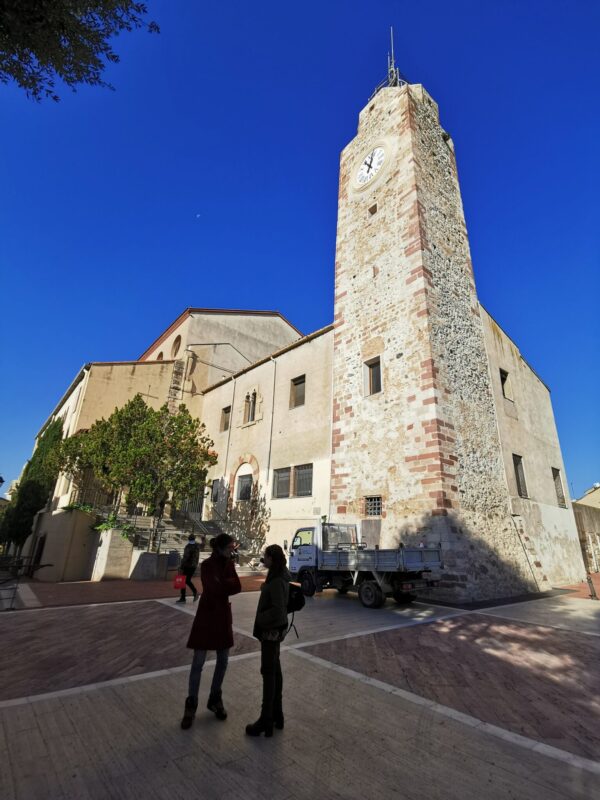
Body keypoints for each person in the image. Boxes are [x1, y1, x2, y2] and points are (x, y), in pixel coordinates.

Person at [181, 533, 241, 729]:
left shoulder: (229, 564)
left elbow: (237, 586)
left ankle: (215, 698)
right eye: (230, 547)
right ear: (221, 548)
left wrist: (222, 583)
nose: (232, 550)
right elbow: (215, 588)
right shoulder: (207, 565)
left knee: (223, 660)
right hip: (207, 615)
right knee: (198, 662)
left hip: (221, 614)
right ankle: (191, 704)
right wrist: (225, 583)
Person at [246, 544, 290, 738]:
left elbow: (278, 610)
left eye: (266, 556)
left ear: (272, 558)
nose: (264, 559)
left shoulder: (277, 580)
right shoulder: (279, 576)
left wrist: (261, 618)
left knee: (268, 672)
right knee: (275, 671)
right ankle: (277, 714)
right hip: (275, 631)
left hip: (271, 631)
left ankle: (266, 718)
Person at [176, 534, 200, 603]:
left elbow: (185, 557)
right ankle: (193, 593)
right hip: (194, 566)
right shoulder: (197, 546)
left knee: (183, 581)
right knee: (187, 580)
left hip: (187, 566)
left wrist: (181, 566)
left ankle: (184, 597)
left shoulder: (188, 547)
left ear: (189, 539)